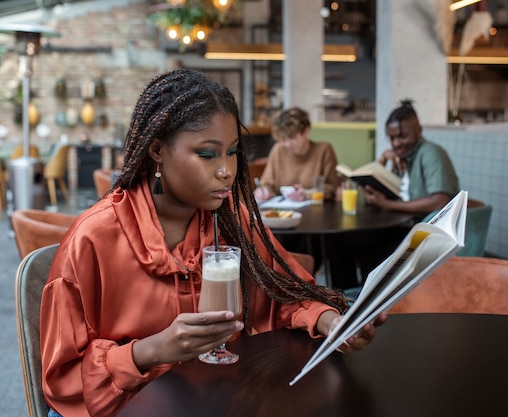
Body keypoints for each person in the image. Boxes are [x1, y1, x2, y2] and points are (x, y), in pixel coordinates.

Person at [40, 69, 386, 417]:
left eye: (233, 152)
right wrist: (150, 350)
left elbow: (286, 295)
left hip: (214, 400)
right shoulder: (93, 238)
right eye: (208, 154)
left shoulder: (230, 220)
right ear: (157, 150)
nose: (227, 171)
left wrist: (332, 323)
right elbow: (63, 379)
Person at [363, 99, 460, 219]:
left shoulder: (431, 153)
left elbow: (440, 201)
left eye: (402, 136)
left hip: (428, 230)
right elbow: (379, 196)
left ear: (419, 131)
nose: (396, 143)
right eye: (392, 138)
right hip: (404, 224)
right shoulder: (401, 157)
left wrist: (388, 205)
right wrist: (383, 159)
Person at [253, 107, 340, 202]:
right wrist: (264, 191)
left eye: (292, 138)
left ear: (306, 131)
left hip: (315, 211)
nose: (287, 144)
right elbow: (267, 183)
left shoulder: (324, 150)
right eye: (284, 139)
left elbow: (332, 188)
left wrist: (307, 194)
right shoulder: (279, 149)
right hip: (282, 213)